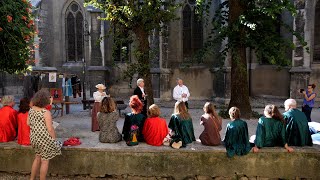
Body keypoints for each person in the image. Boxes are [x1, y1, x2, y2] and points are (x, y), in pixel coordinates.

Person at [28, 89, 61, 180]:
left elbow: (28, 123)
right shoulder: (46, 112)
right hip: (44, 138)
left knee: (37, 158)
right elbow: (50, 129)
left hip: (34, 137)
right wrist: (54, 139)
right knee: (45, 161)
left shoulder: (31, 110)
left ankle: (31, 178)